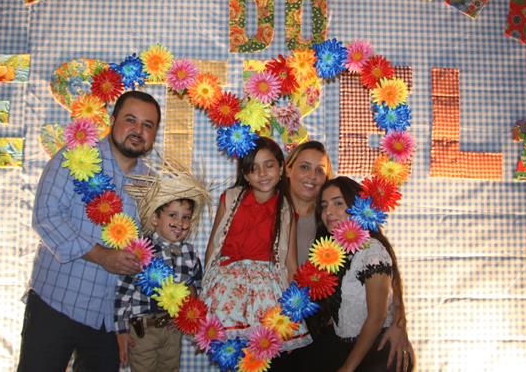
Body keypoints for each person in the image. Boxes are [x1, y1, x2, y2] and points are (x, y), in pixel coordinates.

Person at [16, 91, 161, 372]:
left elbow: (141, 251)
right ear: (112, 120)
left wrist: (123, 323)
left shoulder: (150, 184)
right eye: (130, 120)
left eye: (148, 125)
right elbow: (46, 216)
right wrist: (100, 255)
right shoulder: (75, 156)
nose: (138, 130)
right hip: (56, 303)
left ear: (154, 134)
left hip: (106, 321)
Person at [272, 142, 414, 371]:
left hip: (327, 338)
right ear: (287, 170)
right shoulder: (270, 212)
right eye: (304, 167)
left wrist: (399, 321)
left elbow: (386, 282)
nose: (312, 176)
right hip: (277, 325)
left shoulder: (340, 232)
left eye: (319, 170)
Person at [201, 137, 311, 350]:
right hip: (227, 288)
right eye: (253, 168)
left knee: (261, 351)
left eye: (269, 165)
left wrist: (294, 305)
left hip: (266, 291)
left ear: (281, 168)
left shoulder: (286, 208)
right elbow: (213, 246)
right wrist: (207, 284)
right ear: (245, 175)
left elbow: (290, 262)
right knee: (231, 351)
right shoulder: (230, 198)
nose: (262, 173)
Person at [115, 157, 211, 371]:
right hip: (142, 330)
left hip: (172, 329)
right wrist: (121, 329)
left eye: (186, 217)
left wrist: (193, 298)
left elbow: (197, 286)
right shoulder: (141, 250)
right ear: (156, 218)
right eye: (173, 215)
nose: (180, 223)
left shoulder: (190, 253)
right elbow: (124, 291)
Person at [317, 176, 412, 372]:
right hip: (348, 349)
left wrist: (348, 368)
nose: (328, 211)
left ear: (357, 208)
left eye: (338, 203)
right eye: (324, 205)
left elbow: (377, 316)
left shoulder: (371, 249)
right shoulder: (331, 253)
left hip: (377, 353)